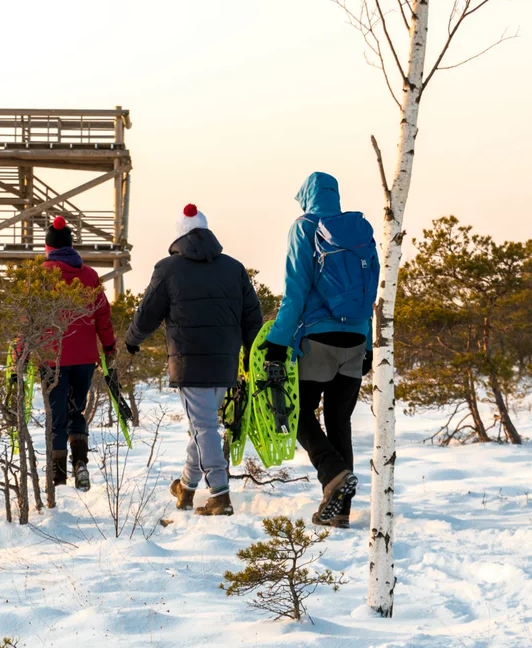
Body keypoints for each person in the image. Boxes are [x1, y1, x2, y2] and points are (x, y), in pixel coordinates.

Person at [125, 204, 262, 516]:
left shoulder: (167, 269)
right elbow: (252, 317)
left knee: (203, 427)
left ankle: (220, 494)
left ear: (179, 236)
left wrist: (132, 340)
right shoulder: (234, 267)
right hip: (226, 362)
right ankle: (186, 488)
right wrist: (252, 354)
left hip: (189, 362)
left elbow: (147, 314)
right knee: (202, 426)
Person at [262, 172, 377, 528]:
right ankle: (341, 509)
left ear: (307, 197)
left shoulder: (304, 228)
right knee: (339, 420)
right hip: (356, 339)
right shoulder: (360, 232)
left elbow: (295, 293)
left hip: (318, 339)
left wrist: (277, 343)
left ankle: (332, 476)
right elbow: (369, 292)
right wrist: (368, 343)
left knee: (297, 414)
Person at [41, 216, 115, 491]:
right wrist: (108, 346)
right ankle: (80, 465)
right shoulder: (89, 275)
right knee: (76, 410)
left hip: (52, 359)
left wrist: (20, 354)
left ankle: (58, 477)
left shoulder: (41, 277)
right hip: (84, 358)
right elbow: (102, 315)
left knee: (56, 416)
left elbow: (27, 321)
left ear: (48, 247)